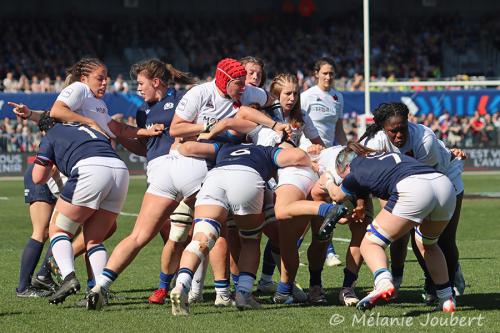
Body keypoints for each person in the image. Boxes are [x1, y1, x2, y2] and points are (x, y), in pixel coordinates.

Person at [85, 59, 200, 310]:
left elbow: (197, 130)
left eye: (141, 83)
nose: (138, 88)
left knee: (181, 234)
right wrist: (122, 136)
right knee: (192, 232)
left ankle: (104, 285)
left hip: (181, 166)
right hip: (163, 171)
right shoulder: (143, 111)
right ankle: (181, 286)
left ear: (156, 82)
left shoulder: (182, 100)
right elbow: (145, 147)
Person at [169, 58, 273, 306]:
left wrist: (280, 117)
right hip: (203, 165)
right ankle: (207, 289)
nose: (245, 87)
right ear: (224, 81)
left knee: (212, 232)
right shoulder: (199, 93)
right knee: (200, 231)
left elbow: (273, 99)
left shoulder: (251, 94)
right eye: (239, 83)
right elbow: (175, 130)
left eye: (252, 77)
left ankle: (216, 291)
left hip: (223, 165)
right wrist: (209, 126)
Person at [169, 142, 313, 315]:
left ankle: (181, 285)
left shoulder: (223, 147)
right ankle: (243, 294)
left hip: (214, 178)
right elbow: (298, 156)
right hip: (247, 178)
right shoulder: (265, 149)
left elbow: (187, 148)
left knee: (200, 239)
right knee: (250, 240)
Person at [324, 142, 457, 313]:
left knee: (370, 243)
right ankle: (446, 298)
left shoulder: (355, 171)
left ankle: (383, 281)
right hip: (443, 185)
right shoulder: (381, 156)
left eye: (343, 175)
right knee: (428, 244)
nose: (344, 179)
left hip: (414, 187)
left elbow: (337, 195)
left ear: (348, 166)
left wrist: (327, 180)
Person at [360, 102, 466, 303]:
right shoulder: (375, 141)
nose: (399, 135)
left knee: (440, 240)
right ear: (383, 128)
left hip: (444, 179)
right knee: (413, 236)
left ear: (409, 122)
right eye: (393, 131)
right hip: (410, 184)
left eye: (403, 129)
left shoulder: (424, 140)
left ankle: (447, 282)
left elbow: (428, 180)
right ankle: (431, 282)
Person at [32, 114, 130, 305]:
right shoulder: (87, 128)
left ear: (44, 129)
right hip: (120, 169)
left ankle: (68, 278)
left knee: (58, 229)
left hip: (91, 169)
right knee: (94, 240)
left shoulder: (51, 134)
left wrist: (52, 164)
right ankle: (100, 290)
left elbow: (37, 177)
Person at [300, 57, 347, 268]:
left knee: (326, 199)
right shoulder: (307, 97)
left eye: (332, 73)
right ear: (316, 74)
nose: (328, 77)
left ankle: (327, 250)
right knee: (312, 200)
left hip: (328, 155)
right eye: (325, 73)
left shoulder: (338, 97)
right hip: (308, 154)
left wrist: (348, 151)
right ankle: (315, 248)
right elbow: (296, 125)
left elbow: (339, 130)